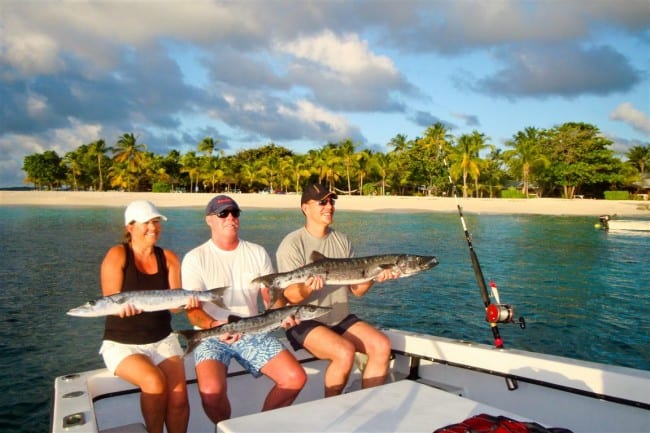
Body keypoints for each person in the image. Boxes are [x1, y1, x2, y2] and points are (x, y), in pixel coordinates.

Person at [181, 195, 306, 424]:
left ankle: (256, 428)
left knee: (295, 378)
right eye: (223, 214)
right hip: (212, 333)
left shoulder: (257, 252)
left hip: (252, 329)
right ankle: (227, 429)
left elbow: (271, 297)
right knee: (210, 392)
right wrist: (213, 325)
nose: (230, 218)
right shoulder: (194, 258)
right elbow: (193, 310)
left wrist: (282, 314)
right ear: (209, 219)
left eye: (234, 213)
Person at [276, 183, 399, 397]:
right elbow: (291, 297)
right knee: (344, 352)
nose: (329, 206)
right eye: (322, 202)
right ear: (305, 208)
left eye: (331, 201)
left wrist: (374, 276)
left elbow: (357, 291)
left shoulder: (341, 240)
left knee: (381, 345)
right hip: (303, 319)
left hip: (339, 316)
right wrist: (307, 287)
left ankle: (368, 404)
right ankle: (331, 408)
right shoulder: (292, 243)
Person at [99, 200, 197, 433]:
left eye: (156, 222)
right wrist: (122, 307)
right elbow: (111, 299)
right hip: (122, 344)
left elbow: (174, 307)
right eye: (146, 223)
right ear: (130, 227)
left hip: (162, 340)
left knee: (180, 398)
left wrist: (186, 303)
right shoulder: (117, 254)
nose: (153, 228)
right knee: (154, 382)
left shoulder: (169, 258)